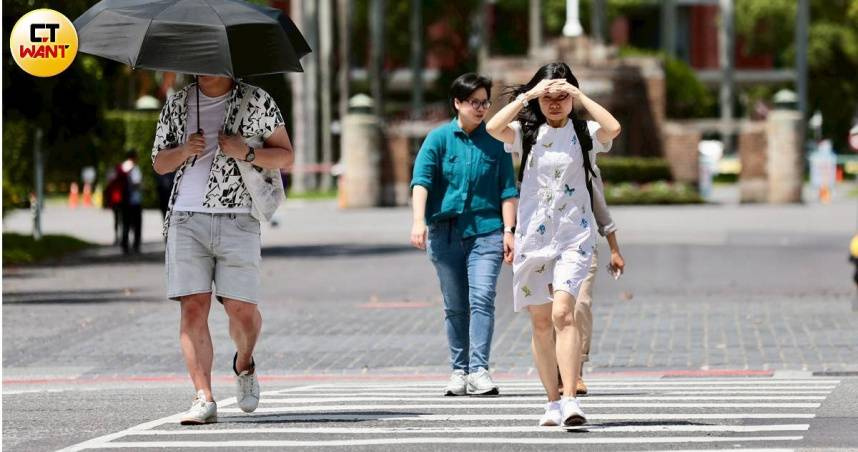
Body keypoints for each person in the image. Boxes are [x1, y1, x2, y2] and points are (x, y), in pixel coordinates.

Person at [151, 75, 293, 425]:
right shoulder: (178, 102)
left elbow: (285, 155)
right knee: (192, 307)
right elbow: (159, 162)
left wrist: (245, 151)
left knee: (242, 311)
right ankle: (204, 397)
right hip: (186, 218)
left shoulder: (256, 100)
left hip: (238, 218)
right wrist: (184, 150)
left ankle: (244, 363)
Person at [486, 62, 621, 426]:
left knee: (564, 313)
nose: (556, 103)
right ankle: (551, 402)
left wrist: (580, 95)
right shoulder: (525, 133)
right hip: (533, 239)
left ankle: (571, 399)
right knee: (542, 323)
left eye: (563, 96)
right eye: (549, 97)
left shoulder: (584, 131)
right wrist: (529, 96)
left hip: (574, 237)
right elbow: (493, 127)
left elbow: (613, 128)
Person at [410, 73, 519, 396]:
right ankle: (459, 371)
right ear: (457, 103)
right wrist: (418, 221)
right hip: (445, 234)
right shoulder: (438, 139)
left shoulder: (496, 141)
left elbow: (508, 190)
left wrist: (509, 230)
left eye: (485, 102)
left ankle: (479, 370)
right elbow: (421, 181)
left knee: (482, 297)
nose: (481, 108)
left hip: (487, 232)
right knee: (456, 305)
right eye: (474, 102)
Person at [119, 150, 143, 255]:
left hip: (124, 200)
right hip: (134, 200)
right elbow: (136, 182)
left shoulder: (122, 167)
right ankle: (136, 245)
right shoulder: (134, 167)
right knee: (137, 224)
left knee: (125, 223)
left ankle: (125, 245)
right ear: (134, 157)